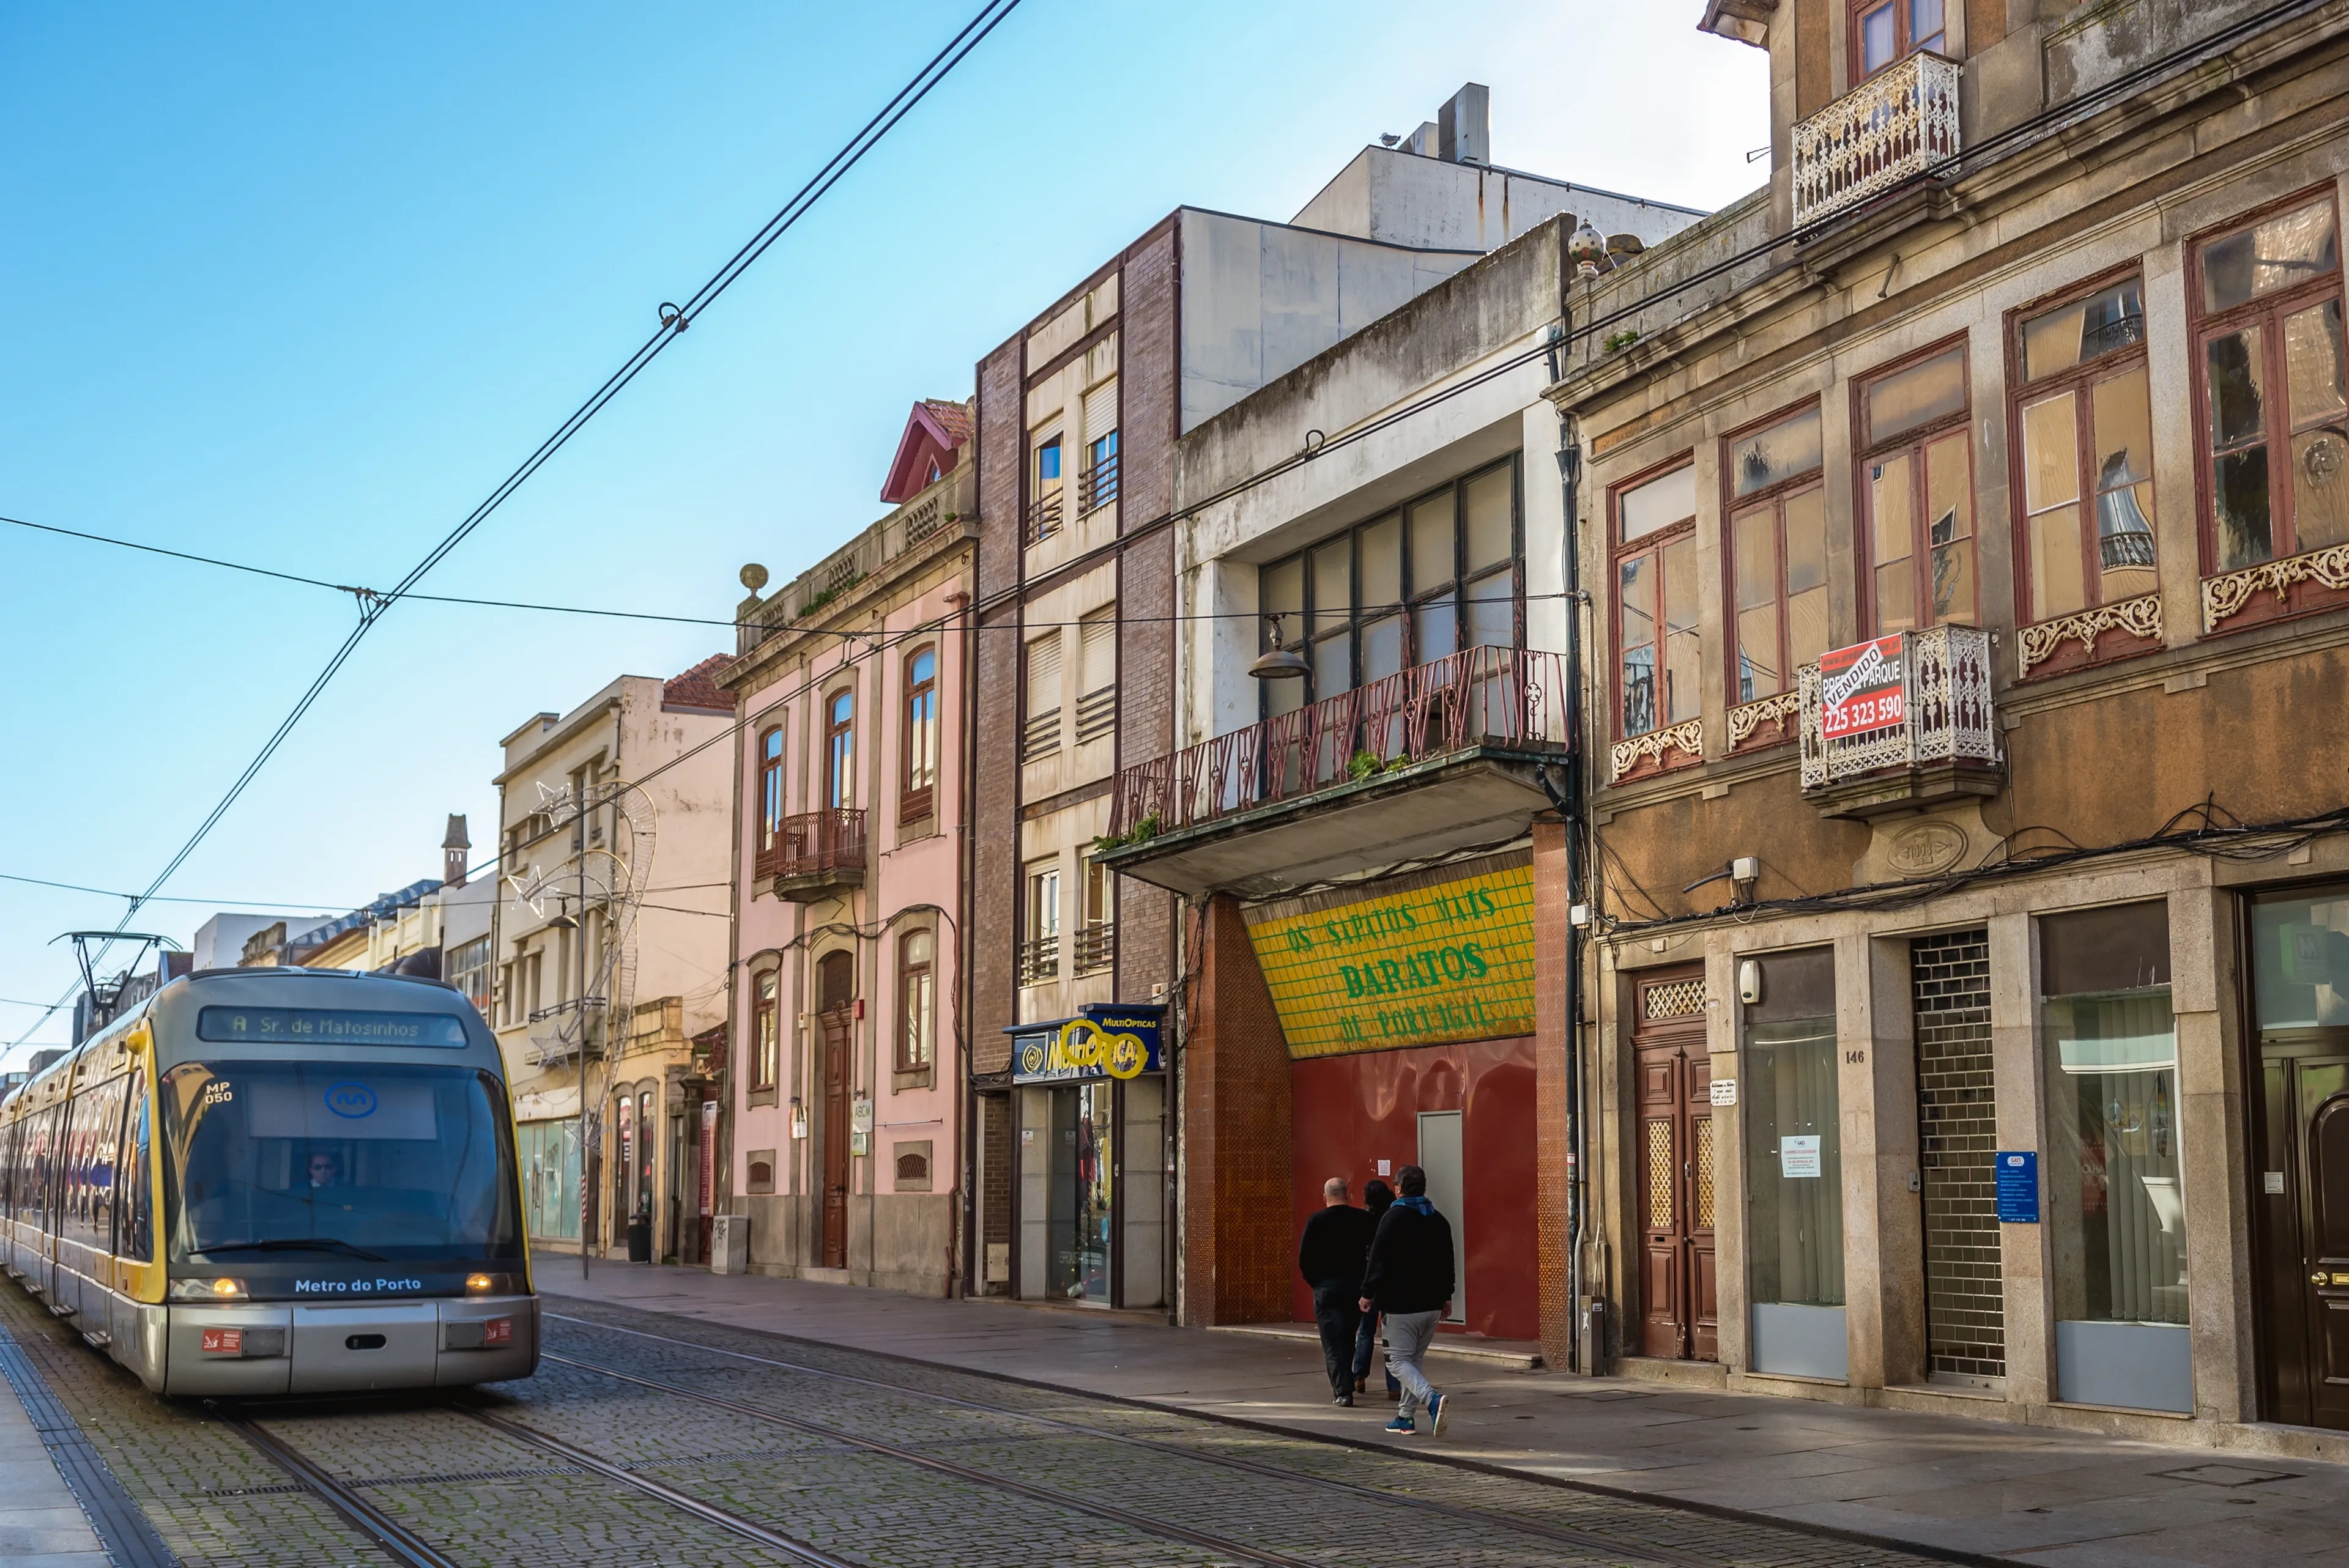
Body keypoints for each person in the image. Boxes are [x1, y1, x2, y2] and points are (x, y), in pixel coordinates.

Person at [1359, 1163, 1455, 1437]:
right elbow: (1448, 1262)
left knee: (1397, 1362)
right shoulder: (1439, 1220)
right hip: (1432, 1306)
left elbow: (1377, 1260)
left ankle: (1432, 1400)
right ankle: (1405, 1417)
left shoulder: (1392, 1219)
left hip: (1400, 1305)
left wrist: (1367, 1293)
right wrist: (1447, 1296)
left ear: (1399, 1189)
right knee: (1413, 1360)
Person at [1297, 1176, 1375, 1405]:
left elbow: (1305, 1259)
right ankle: (1346, 1383)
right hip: (1355, 1288)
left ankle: (1343, 1391)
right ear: (1348, 1195)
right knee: (1348, 1337)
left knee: (1332, 1343)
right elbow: (1374, 1253)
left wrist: (1317, 1284)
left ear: (1325, 1197)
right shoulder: (1363, 1219)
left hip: (1326, 1289)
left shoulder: (1316, 1221)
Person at [1353, 1178, 1400, 1399]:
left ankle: (1359, 1376)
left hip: (1370, 1281)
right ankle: (1394, 1386)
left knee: (1365, 1332)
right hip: (1391, 1283)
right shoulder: (1393, 1216)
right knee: (1391, 1336)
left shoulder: (1365, 1219)